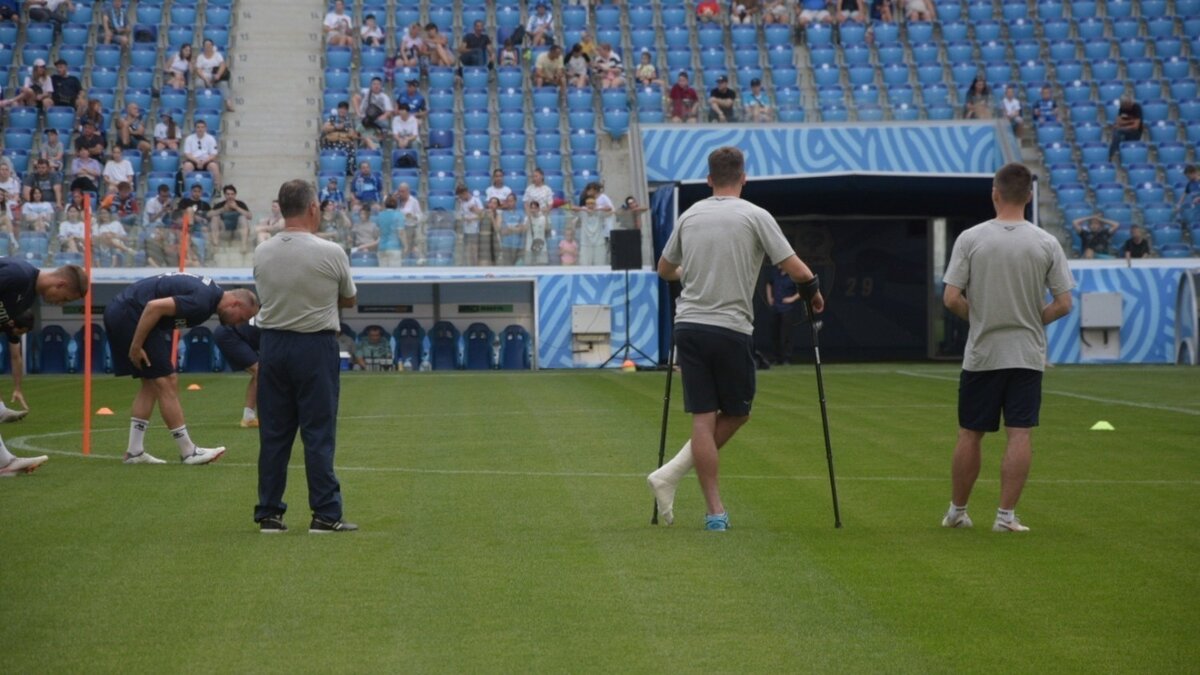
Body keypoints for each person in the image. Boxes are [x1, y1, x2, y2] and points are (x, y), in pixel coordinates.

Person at [648, 146, 825, 530]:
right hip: (729, 326)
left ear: (709, 179)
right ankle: (682, 483)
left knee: (703, 417)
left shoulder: (690, 215)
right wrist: (813, 293)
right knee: (738, 412)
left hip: (689, 326)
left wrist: (692, 275)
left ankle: (710, 509)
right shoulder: (755, 215)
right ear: (743, 178)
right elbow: (795, 268)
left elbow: (664, 269)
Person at [940, 162, 1074, 533]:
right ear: (1029, 197)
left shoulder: (971, 238)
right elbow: (1064, 303)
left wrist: (981, 317)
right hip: (1027, 354)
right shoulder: (1045, 242)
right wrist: (1032, 319)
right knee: (1020, 433)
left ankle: (957, 511)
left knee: (970, 432)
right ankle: (1005, 517)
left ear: (995, 194)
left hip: (983, 352)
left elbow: (951, 298)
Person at [253, 179, 359, 533]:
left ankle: (269, 512)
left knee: (274, 434)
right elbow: (348, 299)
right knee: (317, 432)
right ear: (313, 208)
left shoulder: (262, 251)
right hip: (314, 346)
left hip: (272, 345)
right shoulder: (330, 251)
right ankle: (326, 514)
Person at [105, 274, 258, 465]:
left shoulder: (209, 297)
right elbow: (154, 307)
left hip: (125, 311)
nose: (238, 324)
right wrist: (136, 346)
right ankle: (188, 452)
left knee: (151, 384)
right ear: (235, 304)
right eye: (242, 318)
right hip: (131, 314)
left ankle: (134, 452)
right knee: (167, 380)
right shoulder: (203, 301)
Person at [0, 262, 89, 476]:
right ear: (61, 283)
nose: (60, 304)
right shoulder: (18, 274)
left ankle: (5, 462)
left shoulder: (26, 298)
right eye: (66, 298)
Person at [214, 319, 261, 428]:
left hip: (233, 333)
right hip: (229, 333)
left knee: (261, 373)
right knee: (261, 372)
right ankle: (267, 417)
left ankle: (249, 418)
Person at [765, 265, 800, 364]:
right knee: (775, 334)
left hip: (787, 308)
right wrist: (769, 298)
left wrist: (792, 299)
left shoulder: (793, 275)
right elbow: (768, 284)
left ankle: (786, 358)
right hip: (775, 307)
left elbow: (802, 290)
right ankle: (777, 358)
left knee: (786, 334)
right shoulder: (775, 273)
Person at [194, 38, 234, 112]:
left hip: (215, 76)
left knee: (223, 84)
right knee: (199, 83)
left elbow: (222, 65)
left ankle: (228, 103)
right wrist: (205, 79)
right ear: (203, 46)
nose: (208, 46)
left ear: (212, 46)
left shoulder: (217, 55)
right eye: (206, 45)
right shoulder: (200, 57)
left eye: (209, 45)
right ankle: (203, 102)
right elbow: (198, 69)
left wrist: (218, 75)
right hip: (204, 76)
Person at [182, 120, 222, 192]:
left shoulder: (211, 138)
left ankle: (217, 189)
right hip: (193, 160)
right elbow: (187, 154)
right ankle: (186, 189)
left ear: (206, 128)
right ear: (195, 128)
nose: (200, 129)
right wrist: (196, 161)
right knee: (187, 166)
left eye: (202, 127)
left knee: (214, 166)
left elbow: (214, 154)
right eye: (198, 127)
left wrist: (204, 161)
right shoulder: (189, 138)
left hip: (207, 160)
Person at [212, 184, 253, 252]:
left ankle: (244, 245)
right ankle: (215, 244)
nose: (230, 196)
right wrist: (222, 209)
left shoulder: (240, 204)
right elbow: (208, 215)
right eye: (228, 194)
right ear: (224, 195)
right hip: (223, 229)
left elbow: (250, 216)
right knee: (215, 217)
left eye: (232, 194)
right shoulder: (220, 205)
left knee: (242, 218)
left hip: (238, 229)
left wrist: (236, 208)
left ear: (235, 195)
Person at [1108, 96, 1144, 160]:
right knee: (1116, 130)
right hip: (1125, 131)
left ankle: (1112, 154)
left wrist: (1123, 125)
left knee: (1118, 131)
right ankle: (1115, 152)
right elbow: (1118, 121)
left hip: (1135, 133)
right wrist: (1131, 121)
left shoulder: (1136, 108)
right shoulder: (1122, 108)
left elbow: (1135, 126)